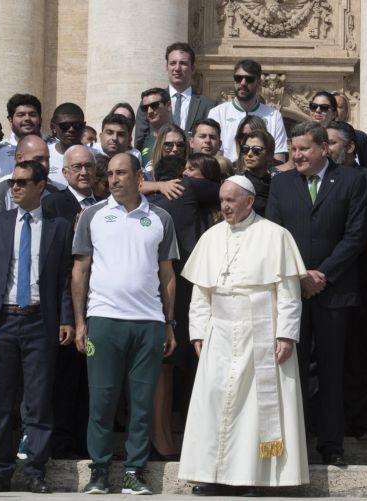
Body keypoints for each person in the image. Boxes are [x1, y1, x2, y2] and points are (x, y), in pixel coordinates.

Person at [179, 176, 309, 495]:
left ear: (249, 201)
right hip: (219, 332)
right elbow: (201, 293)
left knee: (254, 408)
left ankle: (252, 478)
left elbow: (289, 293)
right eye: (222, 200)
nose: (224, 206)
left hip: (261, 329)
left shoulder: (276, 236)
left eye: (231, 200)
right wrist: (198, 332)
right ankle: (211, 474)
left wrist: (286, 335)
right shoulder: (211, 237)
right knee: (213, 404)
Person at [71, 152, 178, 495]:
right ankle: (99, 471)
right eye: (111, 174)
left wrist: (169, 323)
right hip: (103, 320)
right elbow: (80, 271)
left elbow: (168, 275)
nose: (114, 179)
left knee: (142, 402)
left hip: (148, 322)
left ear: (138, 176)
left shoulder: (160, 217)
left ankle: (135, 470)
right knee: (101, 401)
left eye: (121, 173)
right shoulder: (93, 215)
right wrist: (79, 322)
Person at [0, 160, 75, 494]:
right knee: (0, 400)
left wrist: (66, 318)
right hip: (4, 320)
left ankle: (34, 470)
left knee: (38, 400)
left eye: (22, 183)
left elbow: (63, 280)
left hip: (40, 321)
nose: (14, 188)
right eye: (12, 182)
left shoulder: (59, 227)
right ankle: (0, 470)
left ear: (40, 186)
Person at [266, 121, 367, 466]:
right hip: (290, 292)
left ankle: (331, 445)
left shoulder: (352, 181)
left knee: (330, 369)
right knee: (287, 368)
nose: (296, 155)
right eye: (293, 149)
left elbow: (355, 235)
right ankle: (289, 445)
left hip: (334, 291)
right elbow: (274, 233)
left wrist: (322, 274)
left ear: (324, 148)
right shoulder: (281, 183)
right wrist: (299, 275)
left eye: (303, 149)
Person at [145, 155, 220, 461]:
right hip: (184, 289)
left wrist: (153, 184)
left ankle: (164, 438)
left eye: (193, 171)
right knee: (176, 365)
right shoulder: (185, 190)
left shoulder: (158, 199)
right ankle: (167, 439)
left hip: (171, 288)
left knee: (171, 366)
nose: (188, 176)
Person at [326, 120, 367, 439]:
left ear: (350, 147)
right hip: (321, 284)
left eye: (331, 143)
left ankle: (359, 422)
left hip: (361, 283)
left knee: (358, 358)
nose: (325, 149)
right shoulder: (317, 181)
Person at [40, 144, 98, 459]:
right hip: (62, 303)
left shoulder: (105, 205)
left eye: (89, 166)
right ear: (65, 173)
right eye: (77, 167)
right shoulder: (52, 204)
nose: (84, 172)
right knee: (63, 378)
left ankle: (87, 441)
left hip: (99, 302)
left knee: (91, 379)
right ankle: (61, 442)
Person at [134, 42, 217, 150]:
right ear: (167, 67)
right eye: (173, 63)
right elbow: (140, 142)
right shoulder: (149, 103)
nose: (177, 68)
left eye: (183, 63)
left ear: (192, 68)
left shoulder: (208, 105)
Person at [208, 59, 287, 163]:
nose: (243, 83)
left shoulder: (274, 116)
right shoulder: (217, 113)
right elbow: (215, 154)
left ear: (258, 82)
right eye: (238, 78)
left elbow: (279, 157)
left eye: (249, 79)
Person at [308, 91, 367, 168]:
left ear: (334, 113)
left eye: (324, 107)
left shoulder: (358, 137)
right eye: (313, 106)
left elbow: (365, 167)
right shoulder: (303, 136)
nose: (318, 110)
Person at [0, 94, 44, 177]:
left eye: (32, 114)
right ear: (10, 120)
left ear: (40, 119)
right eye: (21, 115)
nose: (27, 118)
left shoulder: (55, 147)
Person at [237, 129, 278, 216]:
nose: (249, 154)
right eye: (245, 149)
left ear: (270, 155)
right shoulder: (237, 183)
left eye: (256, 150)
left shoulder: (278, 184)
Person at [46, 102, 86, 190]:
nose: (71, 129)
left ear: (84, 126)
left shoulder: (95, 156)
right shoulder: (44, 155)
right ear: (53, 128)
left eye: (77, 125)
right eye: (65, 126)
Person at [136, 88, 173, 154]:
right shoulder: (141, 145)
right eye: (145, 108)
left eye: (154, 105)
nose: (149, 111)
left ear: (168, 106)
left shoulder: (183, 139)